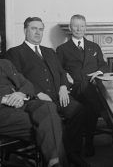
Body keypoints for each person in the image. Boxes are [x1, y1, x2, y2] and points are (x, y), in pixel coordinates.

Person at [5, 17, 90, 167]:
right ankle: (57, 157)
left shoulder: (49, 51)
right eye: (34, 28)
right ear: (25, 30)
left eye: (41, 29)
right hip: (36, 101)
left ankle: (72, 153)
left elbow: (62, 72)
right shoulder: (15, 53)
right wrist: (36, 93)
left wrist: (63, 87)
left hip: (58, 97)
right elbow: (18, 79)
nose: (38, 32)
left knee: (79, 111)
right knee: (51, 119)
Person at [56, 14, 109, 156]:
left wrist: (98, 72)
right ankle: (83, 144)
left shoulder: (94, 46)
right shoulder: (62, 49)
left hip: (92, 86)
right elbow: (58, 71)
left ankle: (88, 142)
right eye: (75, 26)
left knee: (91, 100)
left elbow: (104, 65)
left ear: (86, 28)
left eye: (82, 26)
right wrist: (66, 80)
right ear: (70, 28)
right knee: (91, 103)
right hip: (74, 89)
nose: (79, 29)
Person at [0, 59, 67, 167]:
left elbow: (26, 83)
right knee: (52, 124)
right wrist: (3, 100)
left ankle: (54, 162)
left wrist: (21, 93)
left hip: (22, 101)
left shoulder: (5, 63)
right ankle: (55, 163)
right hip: (3, 109)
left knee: (48, 106)